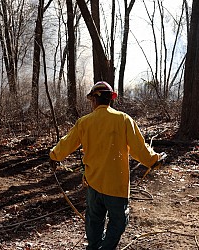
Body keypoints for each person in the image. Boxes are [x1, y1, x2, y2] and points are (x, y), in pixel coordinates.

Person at [49, 81, 164, 250]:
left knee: (94, 221)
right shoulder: (124, 119)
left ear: (94, 100)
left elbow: (67, 143)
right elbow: (139, 149)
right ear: (111, 99)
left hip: (93, 184)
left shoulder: (84, 122)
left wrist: (54, 155)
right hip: (117, 186)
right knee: (118, 222)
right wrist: (154, 160)